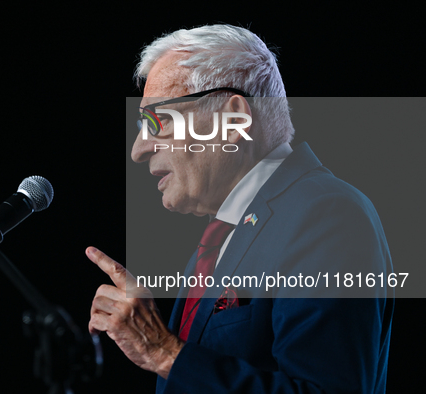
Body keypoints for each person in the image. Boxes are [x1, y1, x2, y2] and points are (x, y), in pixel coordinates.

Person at [86, 24, 393, 393]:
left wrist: (164, 352)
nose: (138, 149)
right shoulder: (223, 236)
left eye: (159, 121)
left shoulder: (327, 215)